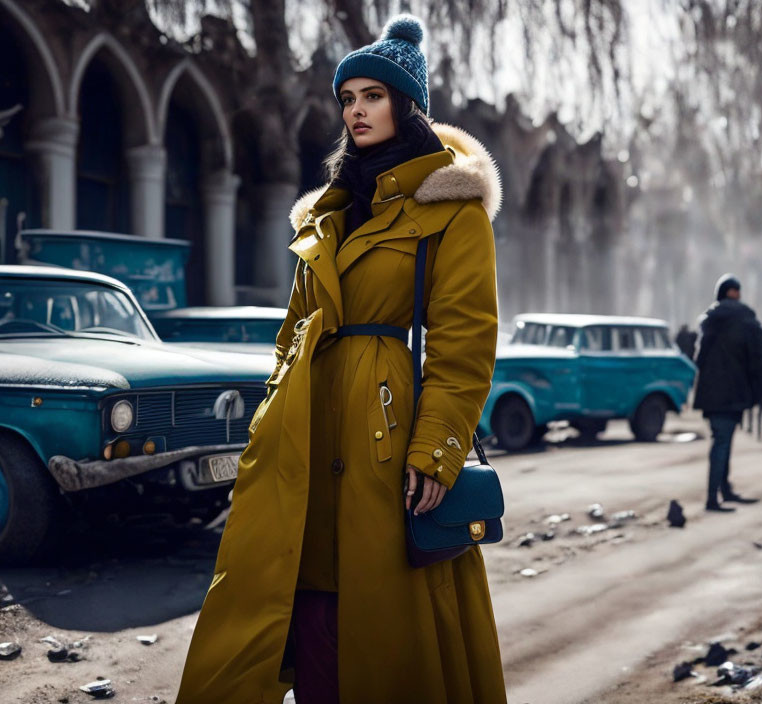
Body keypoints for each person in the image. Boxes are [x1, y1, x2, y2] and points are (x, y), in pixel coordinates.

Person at [176, 14, 507, 704]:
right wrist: (272, 413)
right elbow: (292, 331)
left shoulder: (452, 209)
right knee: (297, 610)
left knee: (384, 621)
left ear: (407, 104)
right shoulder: (326, 213)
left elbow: (465, 342)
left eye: (373, 96)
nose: (356, 111)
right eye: (348, 98)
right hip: (303, 433)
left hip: (388, 443)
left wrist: (436, 450)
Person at [693, 274, 762, 511]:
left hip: (711, 394)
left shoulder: (710, 321)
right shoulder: (747, 321)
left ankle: (723, 490)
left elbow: (699, 359)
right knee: (723, 442)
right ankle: (712, 498)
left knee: (721, 440)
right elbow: (759, 359)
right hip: (736, 391)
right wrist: (759, 390)